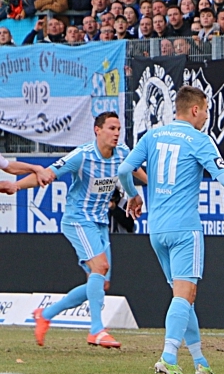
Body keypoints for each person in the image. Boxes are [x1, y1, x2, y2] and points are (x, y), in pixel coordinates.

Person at [118, 86, 224, 374]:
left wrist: (133, 196)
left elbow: (124, 169)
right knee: (185, 296)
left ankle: (200, 362)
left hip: (157, 231)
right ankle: (168, 357)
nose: (207, 116)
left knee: (183, 298)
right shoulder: (198, 140)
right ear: (195, 110)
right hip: (184, 230)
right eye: (206, 110)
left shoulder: (152, 136)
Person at [11, 113, 142, 349]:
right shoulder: (82, 156)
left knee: (100, 282)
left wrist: (153, 186)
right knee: (100, 268)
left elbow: (135, 170)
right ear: (97, 130)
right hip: (78, 220)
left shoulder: (122, 153)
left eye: (119, 129)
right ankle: (96, 331)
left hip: (99, 222)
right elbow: (47, 174)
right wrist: (16, 186)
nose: (116, 133)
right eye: (111, 128)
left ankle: (46, 314)